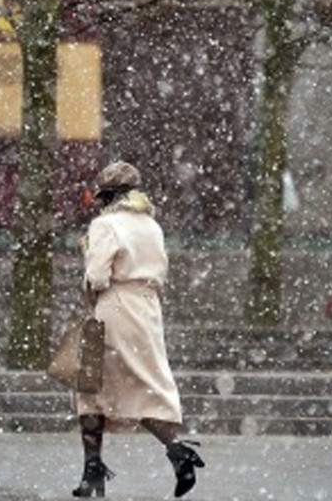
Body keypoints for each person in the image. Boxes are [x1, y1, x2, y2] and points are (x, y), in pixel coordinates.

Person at [71, 161, 204, 498]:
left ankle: (93, 472)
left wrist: (88, 272)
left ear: (108, 196)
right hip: (147, 310)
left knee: (89, 389)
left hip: (113, 308)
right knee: (143, 386)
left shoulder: (105, 225)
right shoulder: (152, 226)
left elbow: (98, 276)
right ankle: (177, 450)